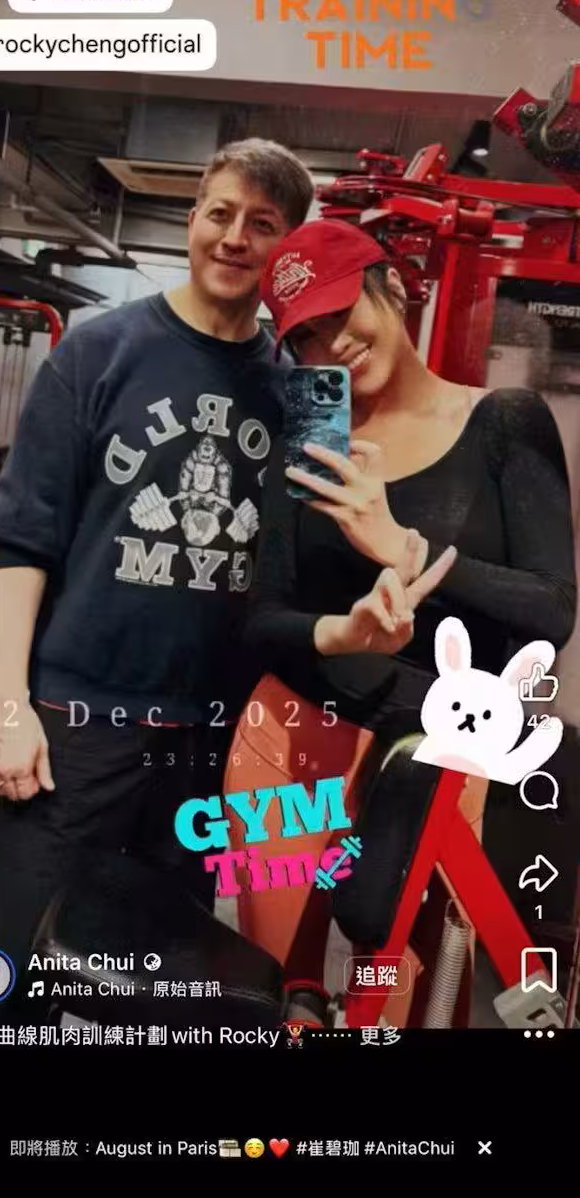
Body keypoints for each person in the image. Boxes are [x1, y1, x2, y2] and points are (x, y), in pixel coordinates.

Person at [0, 138, 314, 1026]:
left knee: (163, 991)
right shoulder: (98, 353)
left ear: (288, 250)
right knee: (6, 978)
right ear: (193, 219)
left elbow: (304, 567)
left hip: (201, 746)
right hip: (75, 730)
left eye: (263, 225)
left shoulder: (297, 394)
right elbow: (22, 542)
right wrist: (10, 706)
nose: (234, 238)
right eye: (220, 213)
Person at [224, 218, 577, 1026]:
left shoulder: (504, 421)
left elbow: (551, 611)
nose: (332, 347)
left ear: (391, 287)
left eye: (341, 313)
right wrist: (344, 633)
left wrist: (404, 547)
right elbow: (262, 621)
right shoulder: (309, 447)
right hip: (292, 745)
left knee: (407, 1004)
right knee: (282, 998)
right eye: (305, 337)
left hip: (444, 759)